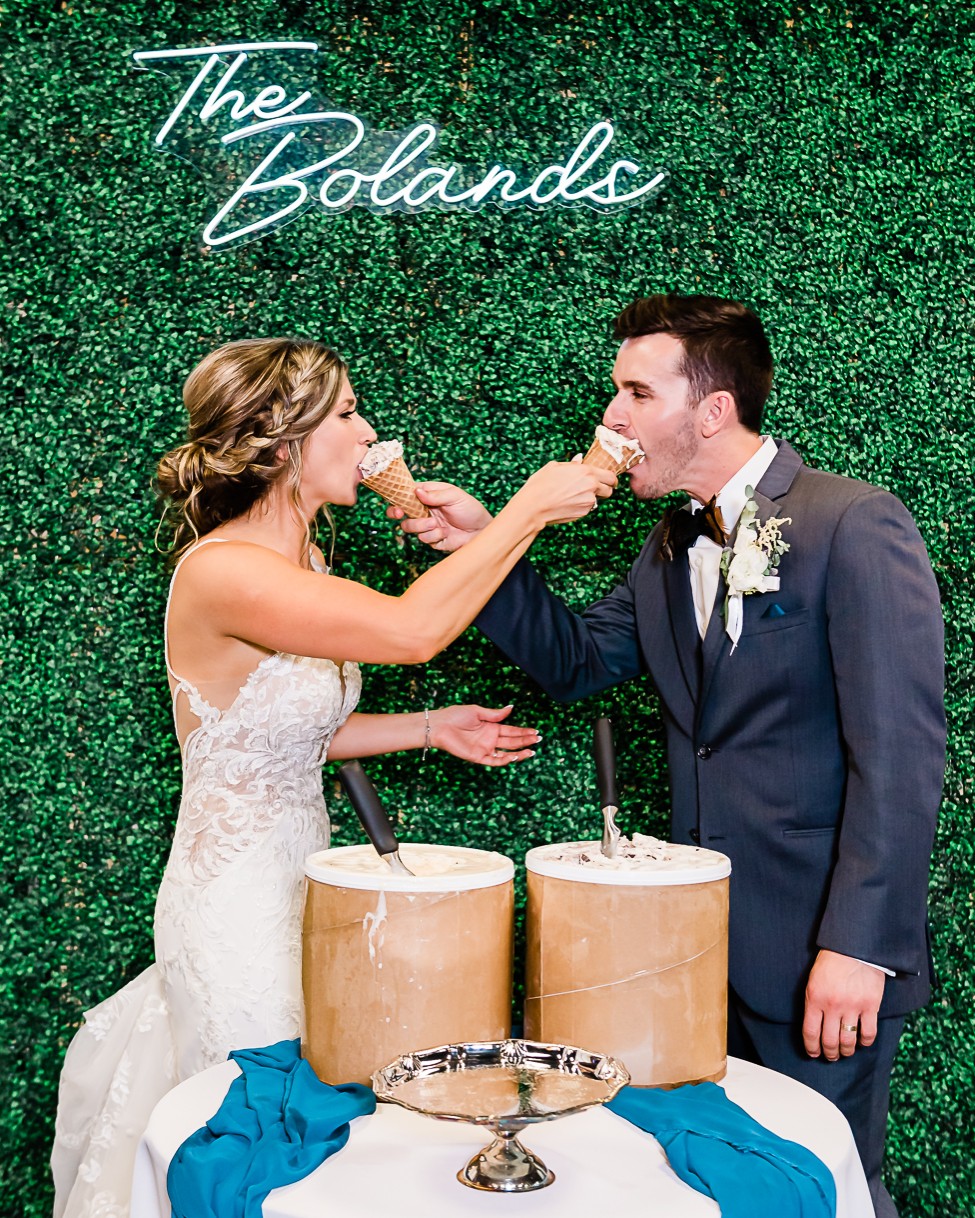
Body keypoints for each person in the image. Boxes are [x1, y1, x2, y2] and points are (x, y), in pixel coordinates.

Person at [394, 294, 945, 1218]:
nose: (611, 416)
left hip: (816, 951)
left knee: (823, 1187)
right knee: (701, 1191)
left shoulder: (851, 522)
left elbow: (899, 754)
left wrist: (858, 945)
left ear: (713, 410)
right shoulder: (665, 545)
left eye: (635, 392)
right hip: (684, 957)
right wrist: (484, 544)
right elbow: (574, 662)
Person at [51, 337, 615, 1218]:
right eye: (347, 413)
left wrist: (431, 728)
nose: (367, 431)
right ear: (280, 440)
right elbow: (408, 633)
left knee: (317, 1128)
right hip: (232, 903)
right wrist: (527, 511)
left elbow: (286, 733)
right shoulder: (225, 571)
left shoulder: (301, 565)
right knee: (255, 1128)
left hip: (305, 888)